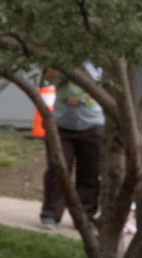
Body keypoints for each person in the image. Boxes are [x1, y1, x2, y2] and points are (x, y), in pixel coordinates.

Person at [37, 68, 105, 229]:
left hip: (93, 125)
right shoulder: (64, 58)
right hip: (61, 126)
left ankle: (85, 216)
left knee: (90, 173)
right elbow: (48, 75)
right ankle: (51, 214)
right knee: (58, 169)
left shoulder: (100, 63)